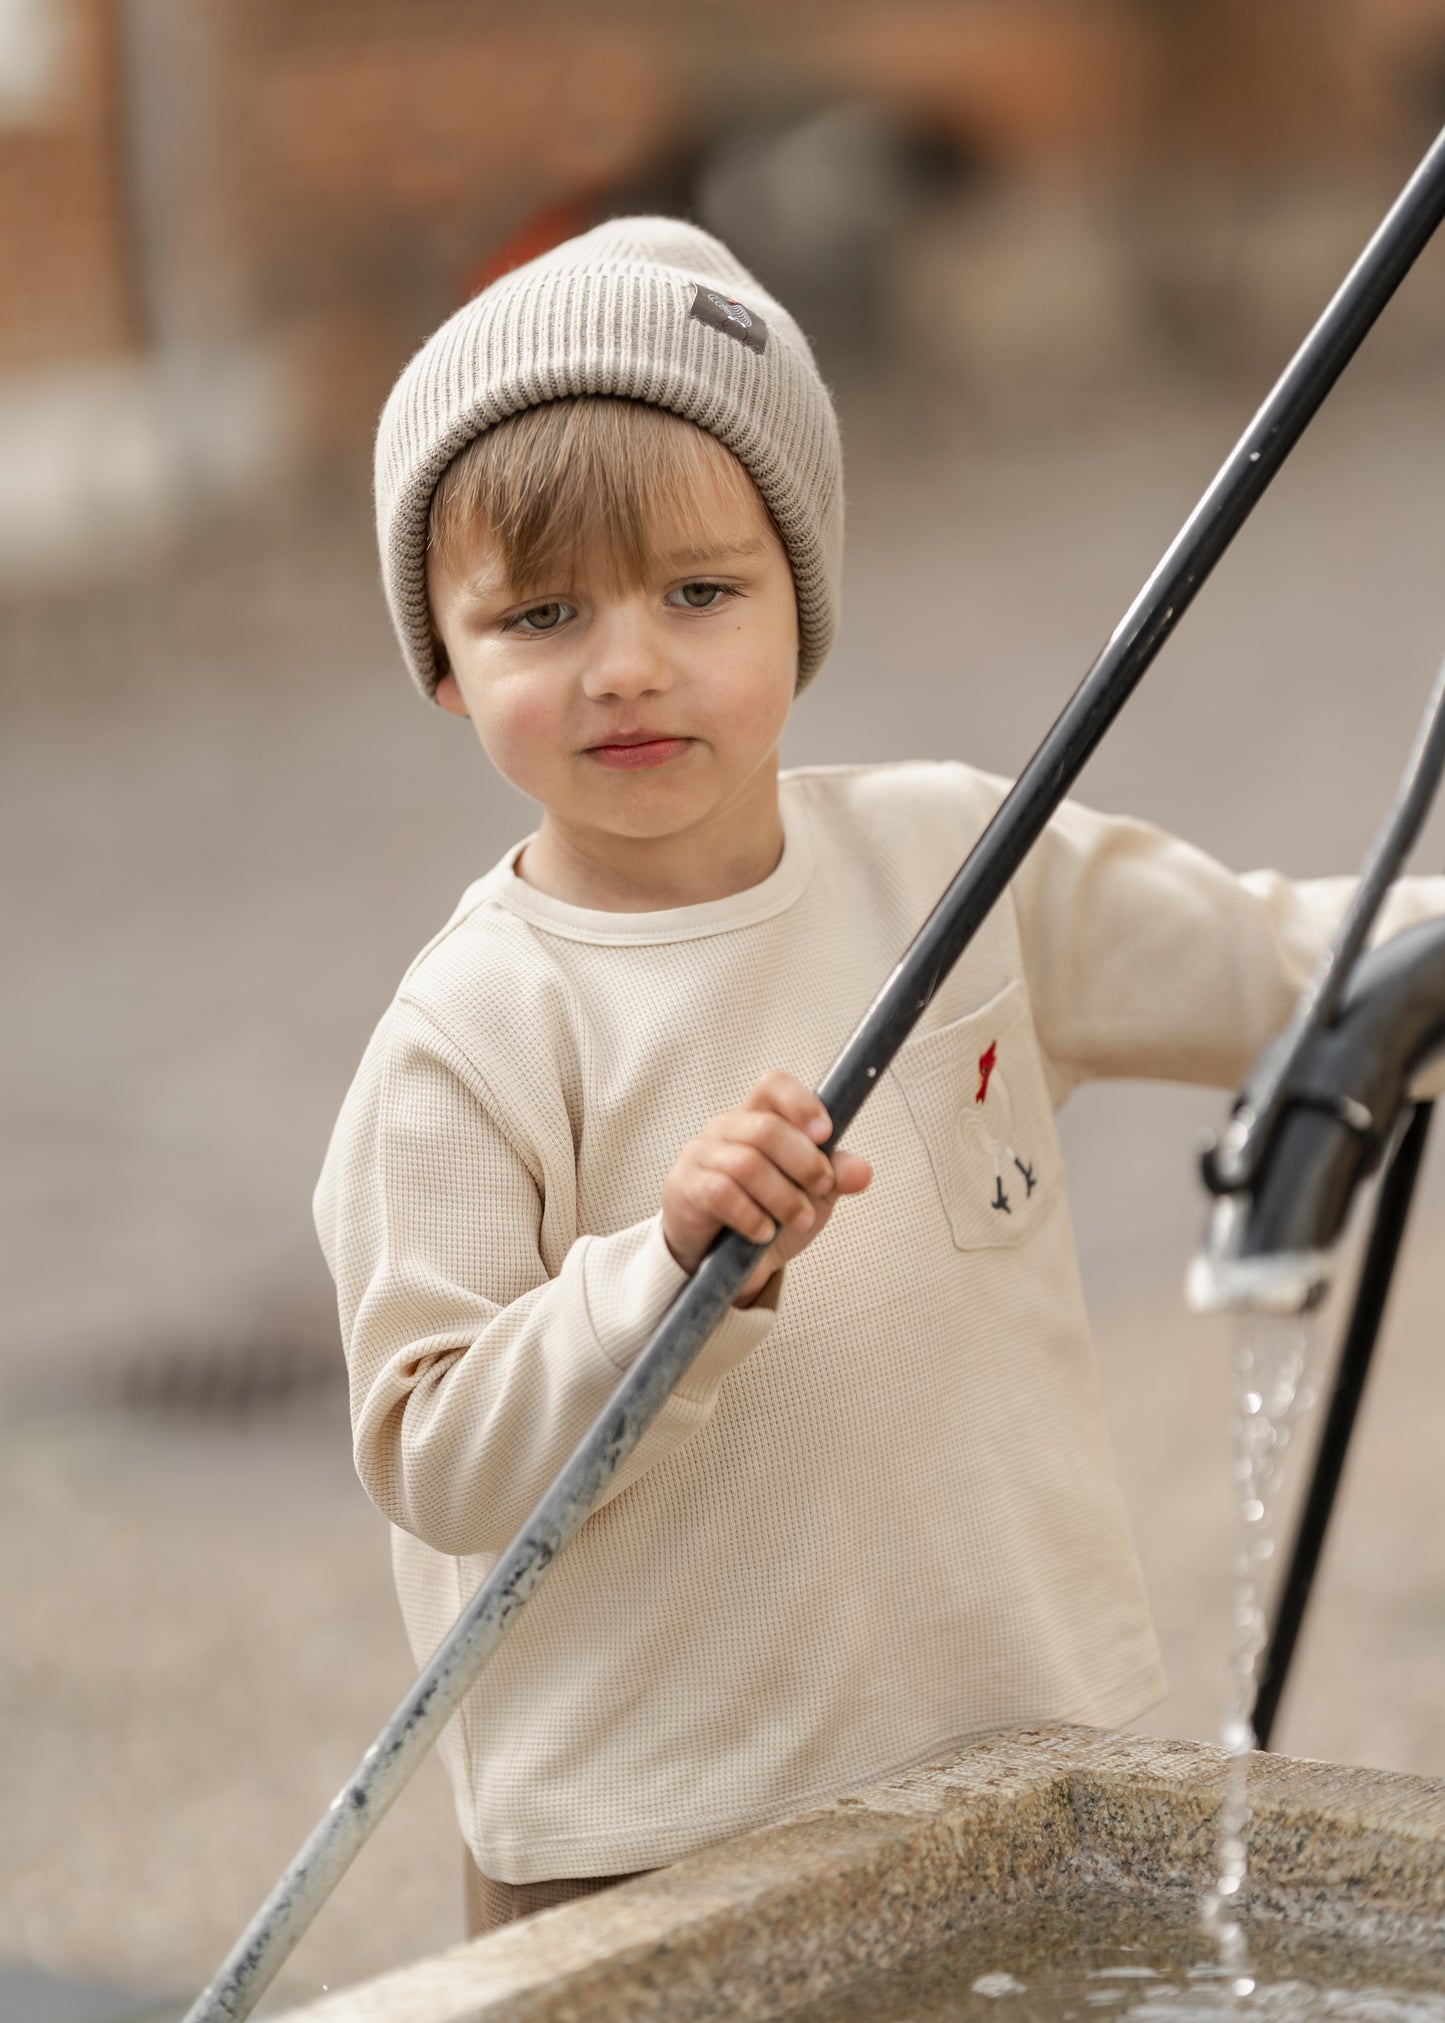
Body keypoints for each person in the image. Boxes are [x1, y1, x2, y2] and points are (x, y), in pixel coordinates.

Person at [314, 217, 1441, 1938]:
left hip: (1011, 1779)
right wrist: (652, 1279)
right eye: (540, 614)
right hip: (647, 1843)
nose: (623, 662)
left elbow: (1294, 963)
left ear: (800, 602)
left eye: (698, 592)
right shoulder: (469, 1031)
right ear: (447, 661)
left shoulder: (951, 864)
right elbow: (437, 1451)